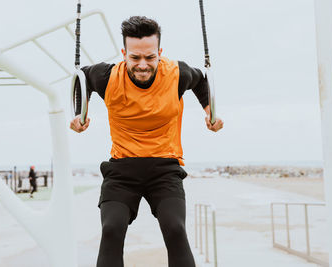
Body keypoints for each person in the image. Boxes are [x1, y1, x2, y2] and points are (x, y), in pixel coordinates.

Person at [70, 16, 224, 267]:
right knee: (111, 229)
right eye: (135, 58)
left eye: (150, 57)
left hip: (164, 169)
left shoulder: (177, 74)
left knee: (175, 229)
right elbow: (81, 77)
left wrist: (210, 111)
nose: (143, 65)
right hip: (122, 170)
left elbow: (201, 80)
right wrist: (79, 113)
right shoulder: (108, 77)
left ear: (159, 53)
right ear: (124, 53)